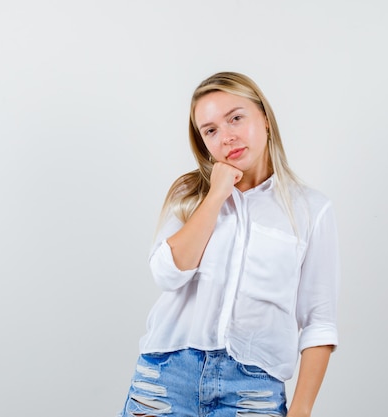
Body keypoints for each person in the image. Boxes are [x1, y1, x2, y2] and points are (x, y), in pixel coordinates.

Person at [118, 71, 340, 417]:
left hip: (252, 392)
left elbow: (318, 322)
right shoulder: (189, 196)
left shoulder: (311, 209)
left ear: (264, 119)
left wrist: (301, 410)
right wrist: (217, 193)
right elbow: (167, 273)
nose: (227, 137)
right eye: (211, 130)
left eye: (236, 118)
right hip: (165, 380)